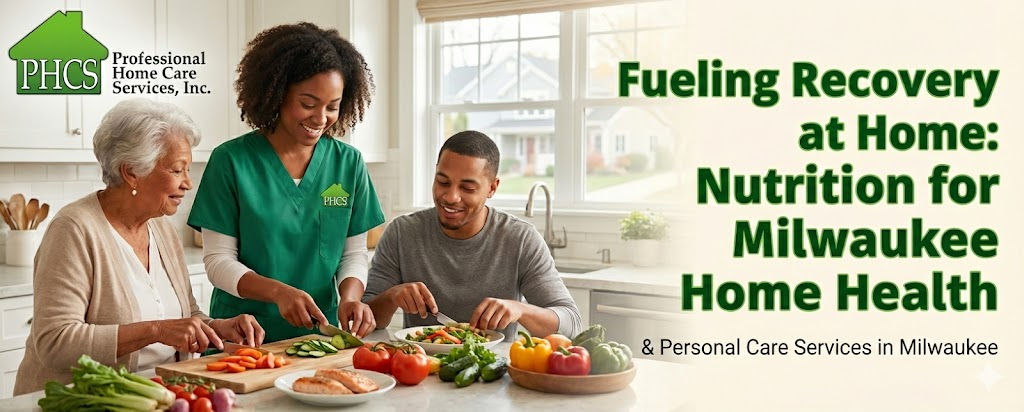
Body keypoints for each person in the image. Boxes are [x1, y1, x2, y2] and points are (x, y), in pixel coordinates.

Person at [13, 99, 264, 395]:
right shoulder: (74, 229)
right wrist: (155, 330)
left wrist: (217, 327)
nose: (188, 183)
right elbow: (55, 343)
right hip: (80, 401)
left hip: (157, 395)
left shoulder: (162, 229)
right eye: (177, 170)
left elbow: (187, 315)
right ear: (132, 171)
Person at [188, 22, 384, 343]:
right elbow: (218, 262)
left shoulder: (348, 164)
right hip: (243, 338)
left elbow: (353, 255)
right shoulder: (232, 161)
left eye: (332, 107)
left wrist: (350, 298)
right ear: (277, 93)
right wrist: (278, 293)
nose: (320, 119)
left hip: (320, 337)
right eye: (308, 104)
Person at [364, 131, 583, 341]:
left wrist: (520, 309)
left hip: (494, 371)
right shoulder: (402, 233)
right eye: (443, 182)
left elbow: (571, 324)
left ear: (492, 188)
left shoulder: (520, 239)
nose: (451, 197)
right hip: (419, 368)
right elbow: (367, 318)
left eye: (467, 188)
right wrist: (392, 295)